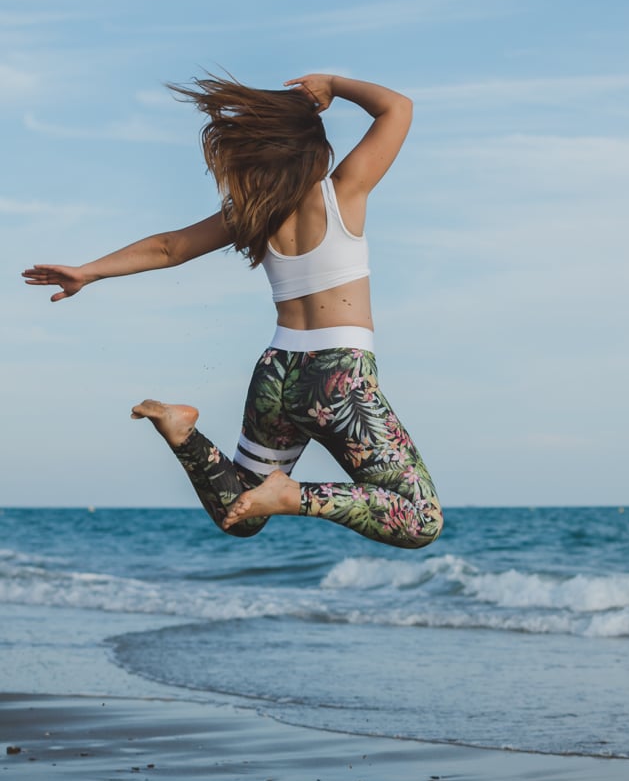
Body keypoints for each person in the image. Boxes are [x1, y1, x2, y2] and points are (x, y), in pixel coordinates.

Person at [23, 73, 443, 550]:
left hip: (276, 373)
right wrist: (333, 84)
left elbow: (169, 248)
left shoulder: (253, 212)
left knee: (240, 511)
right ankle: (291, 496)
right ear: (313, 151)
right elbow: (397, 108)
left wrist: (89, 272)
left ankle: (183, 433)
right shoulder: (340, 192)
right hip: (337, 375)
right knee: (419, 520)